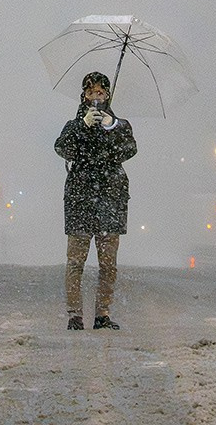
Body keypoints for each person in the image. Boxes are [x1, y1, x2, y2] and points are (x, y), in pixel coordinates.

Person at [55, 70, 137, 331]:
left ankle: (102, 314)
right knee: (75, 262)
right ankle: (75, 315)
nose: (95, 97)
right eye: (91, 92)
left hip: (110, 200)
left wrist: (111, 127)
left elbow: (129, 150)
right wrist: (84, 126)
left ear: (108, 94)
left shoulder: (120, 125)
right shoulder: (73, 126)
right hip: (80, 200)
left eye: (100, 92)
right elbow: (63, 149)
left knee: (108, 264)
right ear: (83, 95)